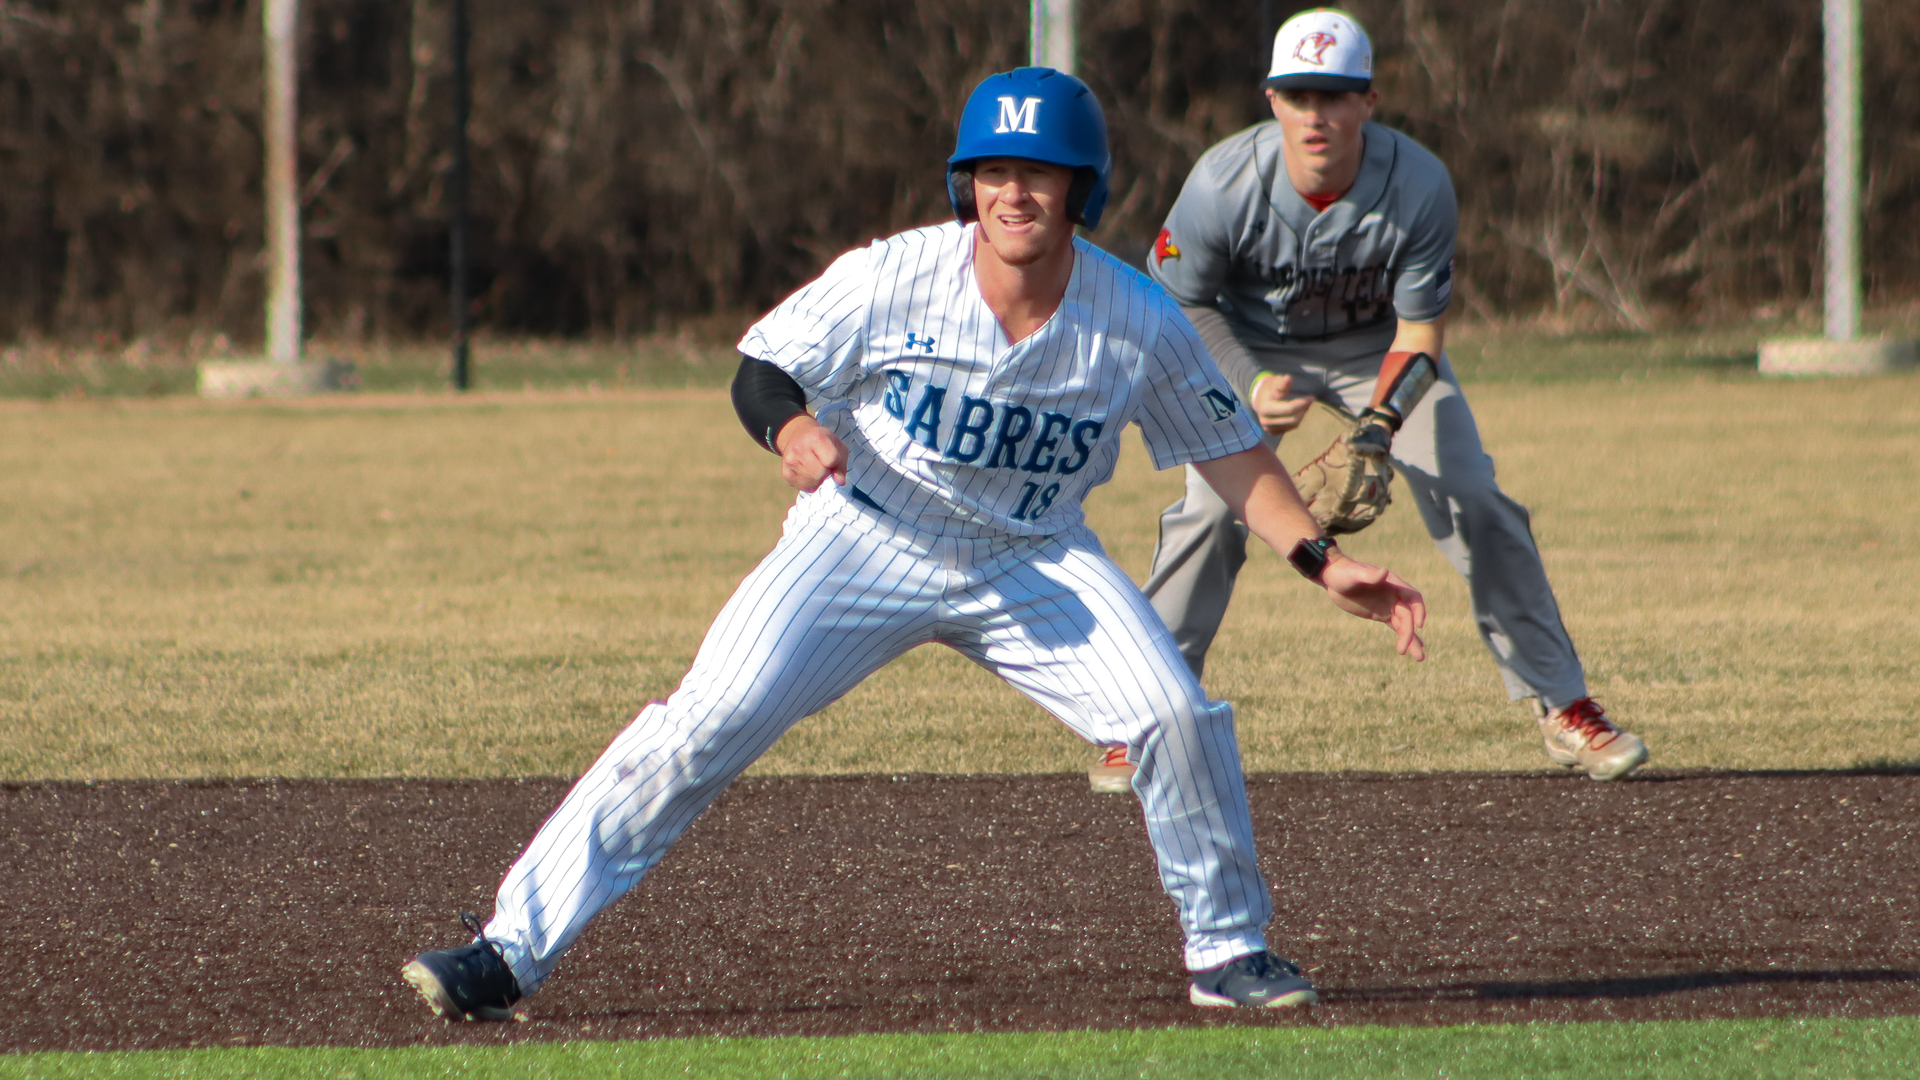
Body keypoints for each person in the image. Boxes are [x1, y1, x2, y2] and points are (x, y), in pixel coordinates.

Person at [400, 67, 1429, 1020]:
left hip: (1031, 556)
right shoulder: (896, 275)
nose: (1013, 194)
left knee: (1173, 711)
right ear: (965, 184)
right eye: (993, 172)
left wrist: (1322, 561)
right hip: (860, 535)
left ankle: (1228, 949)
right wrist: (793, 428)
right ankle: (506, 950)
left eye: (1038, 173)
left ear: (1083, 189)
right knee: (703, 723)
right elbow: (764, 365)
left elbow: (1232, 450)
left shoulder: (1135, 316)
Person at [1088, 9, 1647, 794]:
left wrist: (1381, 426)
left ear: (1369, 101)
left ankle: (1565, 707)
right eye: (1299, 93)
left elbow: (1419, 334)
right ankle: (1140, 721)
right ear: (1272, 100)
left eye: (1337, 94)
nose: (1317, 113)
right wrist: (1246, 379)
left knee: (1476, 499)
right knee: (1210, 514)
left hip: (1373, 353)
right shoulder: (1222, 182)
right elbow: (1177, 305)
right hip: (1248, 348)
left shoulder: (1418, 184)